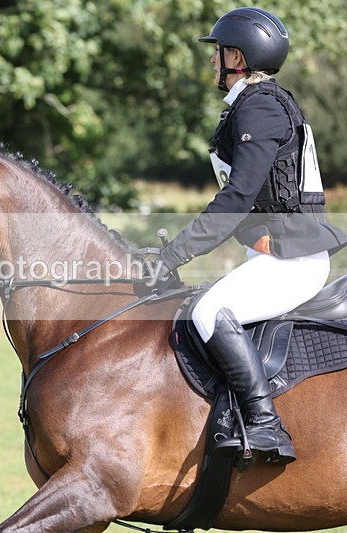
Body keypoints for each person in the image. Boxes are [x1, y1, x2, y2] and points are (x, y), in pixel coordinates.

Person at [152, 8, 347, 464]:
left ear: (236, 56)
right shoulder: (258, 104)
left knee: (209, 311)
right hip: (271, 257)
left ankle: (264, 426)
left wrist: (174, 254)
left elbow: (237, 198)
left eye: (217, 54)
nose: (212, 63)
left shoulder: (259, 106)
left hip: (291, 261)